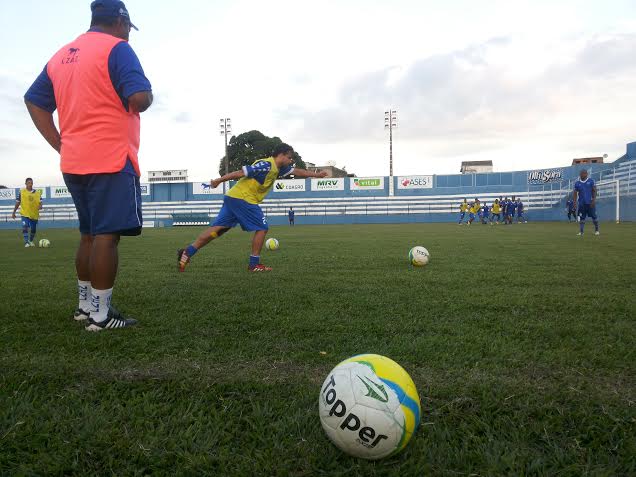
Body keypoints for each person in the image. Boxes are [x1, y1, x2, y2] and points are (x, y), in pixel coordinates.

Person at [24, 0, 153, 331]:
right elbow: (139, 97)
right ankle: (101, 315)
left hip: (74, 160)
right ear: (121, 21)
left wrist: (59, 143)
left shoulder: (62, 54)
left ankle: (85, 307)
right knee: (107, 238)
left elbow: (34, 100)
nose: (129, 35)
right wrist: (147, 97)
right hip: (110, 157)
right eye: (128, 28)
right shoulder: (117, 49)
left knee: (89, 235)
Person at [178, 144, 327, 272]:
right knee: (262, 228)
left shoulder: (279, 168)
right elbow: (240, 173)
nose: (290, 160)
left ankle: (187, 252)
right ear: (281, 155)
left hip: (233, 197)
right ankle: (254, 265)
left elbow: (297, 171)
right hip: (243, 198)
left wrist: (316, 175)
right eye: (289, 157)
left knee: (218, 230)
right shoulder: (266, 165)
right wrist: (217, 181)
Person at [12, 178, 43, 247]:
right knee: (25, 226)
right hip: (24, 213)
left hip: (34, 214)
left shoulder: (37, 193)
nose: (30, 184)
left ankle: (31, 241)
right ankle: (26, 242)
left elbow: (40, 203)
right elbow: (17, 202)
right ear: (25, 183)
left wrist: (40, 206)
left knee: (33, 229)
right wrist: (14, 212)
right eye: (29, 183)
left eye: (31, 183)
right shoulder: (21, 192)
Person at [573, 169, 599, 236]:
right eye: (581, 174)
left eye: (584, 173)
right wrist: (574, 203)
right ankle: (581, 232)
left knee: (594, 218)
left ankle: (597, 230)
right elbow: (575, 193)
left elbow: (594, 190)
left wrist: (593, 200)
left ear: (586, 174)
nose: (582, 175)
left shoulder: (591, 181)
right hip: (581, 204)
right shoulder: (577, 183)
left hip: (590, 203)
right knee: (582, 218)